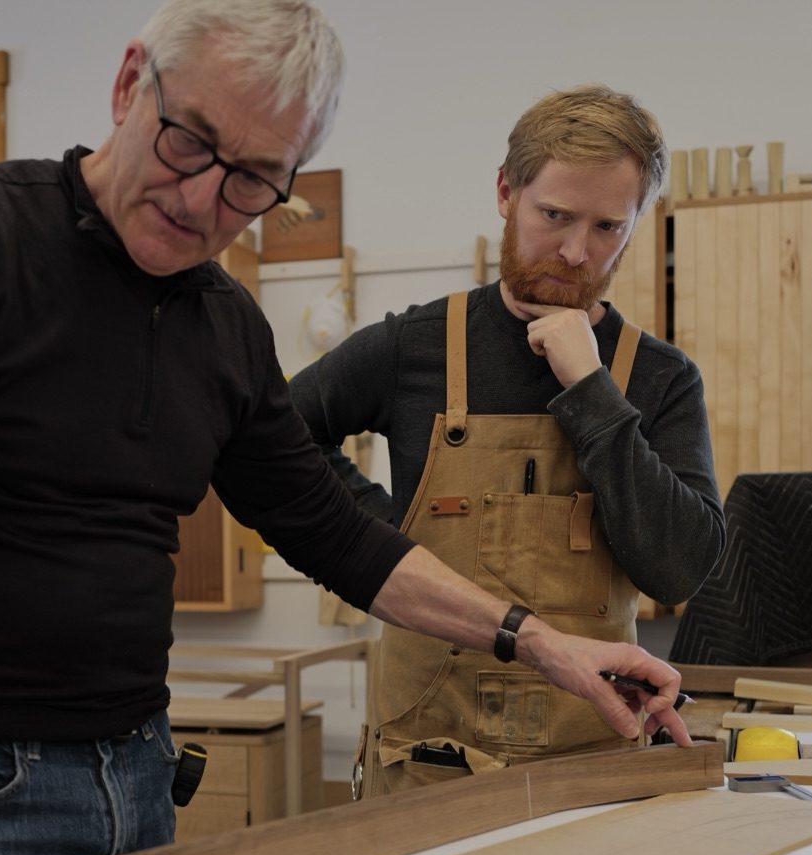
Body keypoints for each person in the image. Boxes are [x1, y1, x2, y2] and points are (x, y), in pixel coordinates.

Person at [0, 0, 687, 855]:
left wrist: (546, 644)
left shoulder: (223, 326)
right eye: (189, 142)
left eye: (256, 178)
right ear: (132, 83)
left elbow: (336, 534)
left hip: (134, 782)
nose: (204, 198)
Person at [289, 85, 724, 795]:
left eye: (609, 226)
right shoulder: (415, 346)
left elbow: (677, 570)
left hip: (593, 767)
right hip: (426, 765)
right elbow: (277, 437)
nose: (577, 251)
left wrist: (593, 394)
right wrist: (388, 541)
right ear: (505, 191)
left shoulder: (660, 377)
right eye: (554, 215)